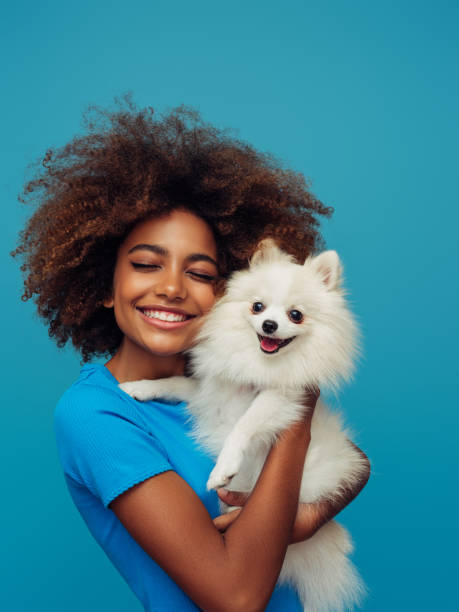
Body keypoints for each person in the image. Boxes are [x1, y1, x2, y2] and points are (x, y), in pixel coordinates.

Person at [14, 100, 370, 612]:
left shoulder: (229, 373)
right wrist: (294, 404)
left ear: (226, 294)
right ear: (104, 286)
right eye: (145, 264)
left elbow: (353, 460)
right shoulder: (97, 413)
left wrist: (309, 517)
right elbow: (236, 598)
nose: (172, 288)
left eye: (201, 274)